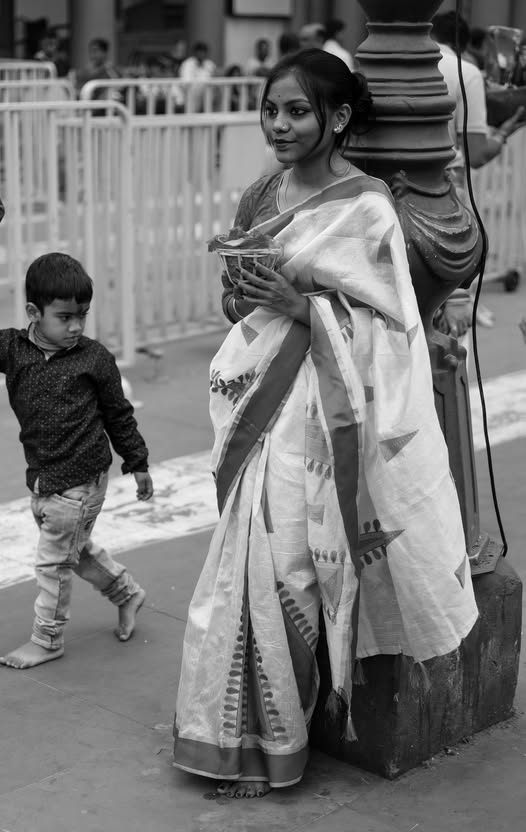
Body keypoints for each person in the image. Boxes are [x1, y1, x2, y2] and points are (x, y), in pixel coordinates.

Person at [173, 48, 478, 798]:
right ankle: (230, 732)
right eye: (271, 109)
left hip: (322, 410)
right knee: (243, 557)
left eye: (297, 111)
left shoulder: (367, 207)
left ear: (337, 118)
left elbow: (394, 326)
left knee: (291, 565)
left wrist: (301, 307)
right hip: (258, 396)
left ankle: (278, 738)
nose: (278, 124)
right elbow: (232, 303)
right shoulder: (262, 195)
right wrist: (248, 295)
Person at [0, 253, 153, 670]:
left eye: (82, 316)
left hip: (82, 480)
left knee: (53, 563)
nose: (75, 327)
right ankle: (127, 593)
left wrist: (137, 462)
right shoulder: (12, 349)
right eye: (64, 317)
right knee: (73, 551)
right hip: (43, 477)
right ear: (34, 312)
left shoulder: (93, 358)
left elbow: (118, 414)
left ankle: (47, 639)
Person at [432, 11, 526, 334]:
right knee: (450, 313)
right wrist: (504, 133)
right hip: (445, 199)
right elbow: (477, 153)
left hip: (386, 195)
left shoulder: (380, 64)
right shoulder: (464, 72)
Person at [179, 41, 216, 112]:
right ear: (195, 53)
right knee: (191, 113)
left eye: (204, 52)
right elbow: (186, 82)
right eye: (200, 52)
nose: (202, 54)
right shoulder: (188, 64)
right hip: (191, 94)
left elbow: (213, 79)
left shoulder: (210, 64)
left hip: (207, 95)